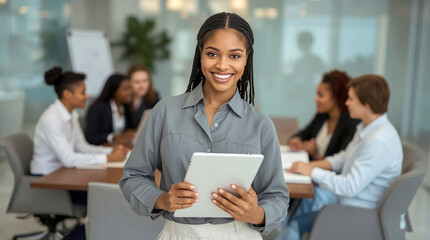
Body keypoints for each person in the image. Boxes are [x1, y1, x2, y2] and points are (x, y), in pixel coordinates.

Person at [120, 12, 290, 239]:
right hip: (179, 233)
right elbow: (133, 176)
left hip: (239, 234)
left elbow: (277, 195)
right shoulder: (166, 112)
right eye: (212, 54)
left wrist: (258, 214)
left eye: (234, 56)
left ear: (246, 58)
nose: (222, 65)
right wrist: (162, 199)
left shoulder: (260, 124)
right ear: (200, 53)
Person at [276, 74, 403, 240]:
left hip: (358, 213)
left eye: (351, 99)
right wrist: (311, 167)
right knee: (298, 217)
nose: (347, 103)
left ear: (366, 104)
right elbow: (343, 158)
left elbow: (350, 186)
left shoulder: (377, 141)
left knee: (295, 224)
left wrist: (312, 172)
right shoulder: (368, 128)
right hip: (352, 204)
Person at [30, 67, 128, 203]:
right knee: (104, 197)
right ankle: (87, 225)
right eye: (83, 92)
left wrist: (111, 151)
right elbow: (68, 159)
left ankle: (89, 224)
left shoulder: (71, 115)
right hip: (48, 177)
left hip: (63, 172)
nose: (87, 96)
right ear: (67, 94)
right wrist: (107, 158)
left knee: (105, 190)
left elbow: (82, 147)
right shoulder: (52, 119)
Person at [288, 70, 360, 160]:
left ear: (336, 98)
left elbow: (340, 164)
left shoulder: (351, 124)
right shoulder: (321, 115)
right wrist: (296, 140)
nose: (315, 99)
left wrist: (316, 155)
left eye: (320, 95)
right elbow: (304, 133)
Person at [85, 74, 135, 145]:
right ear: (114, 91)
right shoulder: (98, 107)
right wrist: (113, 137)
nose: (130, 92)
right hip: (103, 149)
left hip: (122, 148)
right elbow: (90, 137)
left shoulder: (126, 107)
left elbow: (130, 128)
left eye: (130, 88)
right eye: (125, 89)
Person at [126, 64, 160, 128]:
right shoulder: (123, 99)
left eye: (144, 81)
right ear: (128, 82)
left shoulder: (154, 97)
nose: (141, 86)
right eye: (137, 82)